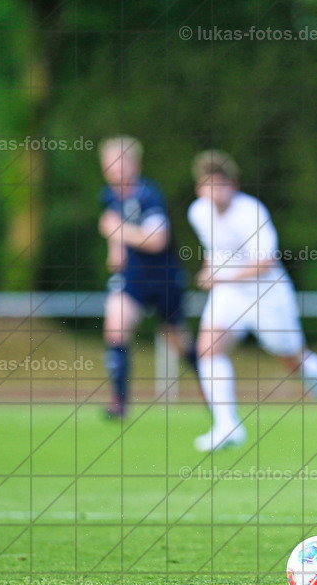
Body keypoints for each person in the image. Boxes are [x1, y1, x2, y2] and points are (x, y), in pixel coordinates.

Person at [187, 150, 317, 453]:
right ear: (199, 189)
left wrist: (220, 277)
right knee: (207, 349)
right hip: (229, 294)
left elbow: (265, 262)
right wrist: (210, 271)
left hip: (266, 294)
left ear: (232, 184)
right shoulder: (197, 212)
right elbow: (216, 252)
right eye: (208, 186)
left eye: (219, 185)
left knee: (292, 360)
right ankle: (226, 425)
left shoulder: (250, 211)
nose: (214, 192)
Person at [98, 136, 198, 419]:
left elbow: (156, 240)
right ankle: (119, 402)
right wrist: (115, 249)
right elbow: (113, 228)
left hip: (164, 279)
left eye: (119, 164)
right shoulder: (108, 195)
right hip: (132, 279)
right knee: (115, 327)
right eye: (108, 166)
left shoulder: (149, 194)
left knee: (177, 340)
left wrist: (117, 232)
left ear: (134, 164)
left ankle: (209, 389)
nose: (113, 171)